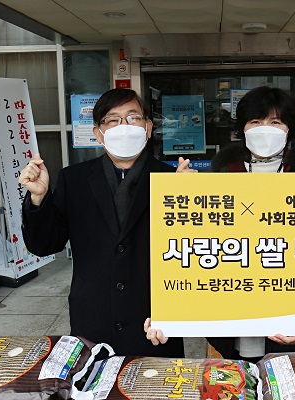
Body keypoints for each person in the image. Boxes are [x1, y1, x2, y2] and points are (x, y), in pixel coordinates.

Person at [145, 86, 295, 362]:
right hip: (233, 319)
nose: (265, 129)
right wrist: (182, 195)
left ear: (290, 130)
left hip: (293, 323)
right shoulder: (222, 178)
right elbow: (193, 250)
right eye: (256, 122)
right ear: (243, 129)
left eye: (275, 122)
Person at [19, 88, 195, 357]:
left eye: (133, 118)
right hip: (93, 319)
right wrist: (38, 198)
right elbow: (44, 245)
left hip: (154, 322)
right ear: (98, 133)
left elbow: (194, 253)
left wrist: (190, 197)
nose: (124, 126)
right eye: (112, 120)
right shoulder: (73, 179)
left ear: (148, 128)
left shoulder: (173, 180)